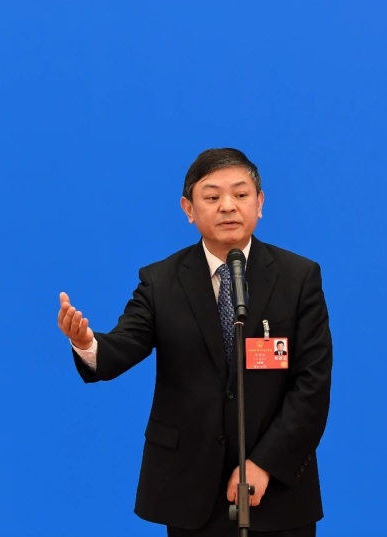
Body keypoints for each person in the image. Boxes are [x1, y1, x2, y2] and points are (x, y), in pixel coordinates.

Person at [57, 148, 333, 536]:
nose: (228, 206)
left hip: (278, 489)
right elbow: (123, 346)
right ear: (189, 209)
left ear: (260, 203)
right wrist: (87, 343)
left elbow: (312, 385)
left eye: (240, 194)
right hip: (190, 490)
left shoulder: (298, 277)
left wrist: (264, 464)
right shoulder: (161, 281)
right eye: (212, 196)